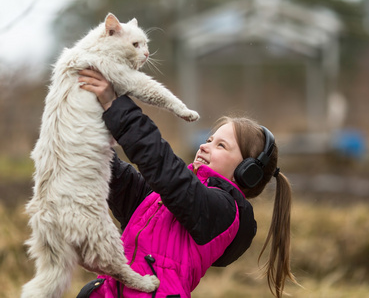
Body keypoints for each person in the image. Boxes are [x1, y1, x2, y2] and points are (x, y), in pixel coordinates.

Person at [76, 69, 297, 298]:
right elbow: (119, 180)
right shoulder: (162, 198)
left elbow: (164, 169)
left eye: (221, 146)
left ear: (246, 172)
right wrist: (85, 135)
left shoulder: (224, 211)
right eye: (209, 140)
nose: (204, 146)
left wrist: (116, 106)